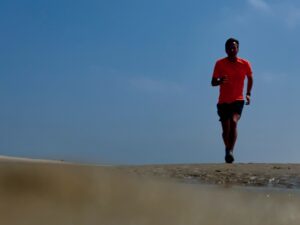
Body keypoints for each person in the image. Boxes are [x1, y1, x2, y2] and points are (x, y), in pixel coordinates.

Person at [211, 38, 253, 163]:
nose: (232, 49)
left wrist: (248, 94)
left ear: (238, 49)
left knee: (234, 122)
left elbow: (250, 78)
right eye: (229, 47)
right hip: (223, 101)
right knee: (225, 131)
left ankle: (230, 151)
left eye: (234, 47)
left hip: (238, 99)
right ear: (225, 50)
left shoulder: (245, 63)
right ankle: (228, 148)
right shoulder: (219, 63)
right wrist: (219, 81)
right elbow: (213, 82)